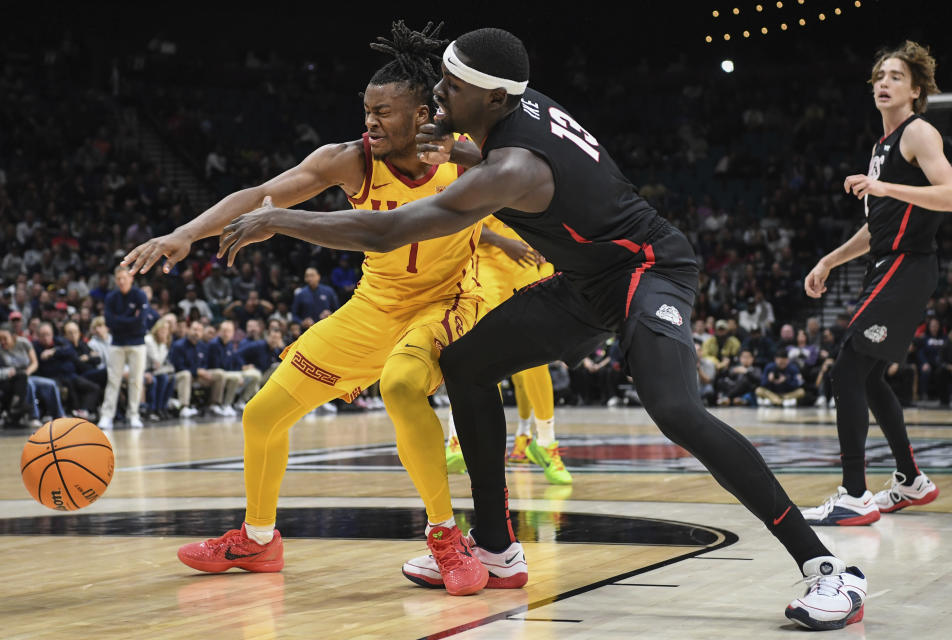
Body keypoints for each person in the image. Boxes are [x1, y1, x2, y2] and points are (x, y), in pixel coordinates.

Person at [178, 27, 868, 628]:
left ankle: (826, 568)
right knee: (467, 365)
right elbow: (484, 151)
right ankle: (496, 548)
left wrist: (279, 218)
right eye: (439, 82)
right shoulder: (508, 117)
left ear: (495, 99)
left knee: (677, 410)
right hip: (587, 278)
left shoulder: (512, 164)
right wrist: (457, 138)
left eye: (450, 88)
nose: (439, 97)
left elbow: (389, 229)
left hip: (648, 270)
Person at [125, 22, 495, 596]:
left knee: (401, 387)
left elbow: (535, 172)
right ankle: (258, 538)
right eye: (367, 110)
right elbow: (260, 196)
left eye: (386, 112)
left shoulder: (468, 155)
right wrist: (186, 234)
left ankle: (447, 535)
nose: (371, 122)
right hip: (376, 305)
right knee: (261, 415)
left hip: (451, 300)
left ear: (424, 114)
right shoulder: (349, 160)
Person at [802, 41, 952, 527]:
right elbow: (877, 228)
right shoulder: (881, 149)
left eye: (895, 76)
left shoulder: (919, 133)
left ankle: (853, 494)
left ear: (915, 90)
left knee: (846, 370)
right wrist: (828, 260)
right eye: (879, 77)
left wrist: (886, 186)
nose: (884, 83)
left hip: (907, 265)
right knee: (866, 377)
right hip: (888, 262)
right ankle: (911, 480)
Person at [447, 216, 570, 484]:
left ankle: (545, 443)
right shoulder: (463, 175)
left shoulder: (534, 178)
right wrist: (504, 242)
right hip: (484, 269)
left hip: (527, 266)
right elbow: (460, 222)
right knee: (479, 353)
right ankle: (459, 439)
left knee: (537, 357)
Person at [99, 265, 148, 429]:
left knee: (136, 381)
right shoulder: (111, 297)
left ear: (131, 278)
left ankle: (133, 415)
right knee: (113, 380)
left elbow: (140, 321)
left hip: (137, 343)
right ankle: (107, 416)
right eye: (118, 279)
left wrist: (120, 320)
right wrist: (129, 319)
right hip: (117, 343)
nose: (121, 281)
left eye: (124, 278)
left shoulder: (140, 295)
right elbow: (109, 322)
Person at [169, 320, 227, 418]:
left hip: (199, 376)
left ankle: (214, 404)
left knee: (219, 374)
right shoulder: (178, 345)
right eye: (194, 329)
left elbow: (205, 364)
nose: (196, 333)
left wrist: (203, 371)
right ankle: (184, 407)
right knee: (186, 374)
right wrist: (196, 371)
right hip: (181, 377)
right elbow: (178, 366)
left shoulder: (203, 346)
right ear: (188, 330)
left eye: (199, 330)